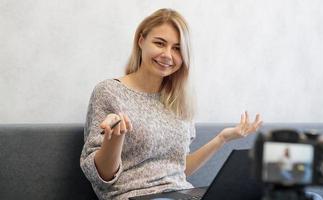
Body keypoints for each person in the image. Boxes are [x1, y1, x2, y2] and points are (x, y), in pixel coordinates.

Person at [80, 8, 263, 200]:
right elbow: (100, 177)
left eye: (177, 48)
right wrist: (114, 139)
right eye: (160, 43)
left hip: (180, 193)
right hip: (130, 195)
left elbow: (178, 170)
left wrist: (221, 139)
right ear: (141, 41)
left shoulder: (178, 99)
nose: (168, 55)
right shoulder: (109, 92)